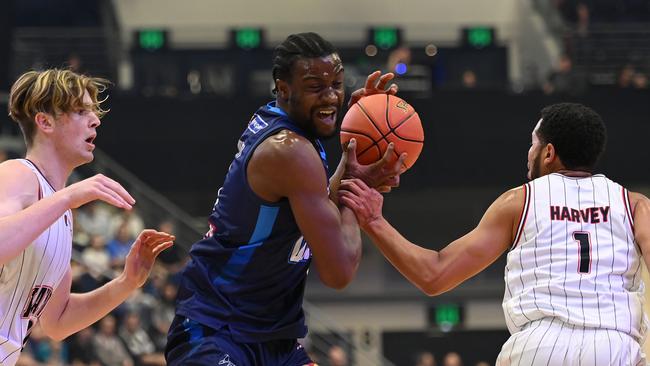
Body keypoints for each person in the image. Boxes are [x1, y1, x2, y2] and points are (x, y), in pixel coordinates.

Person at [339, 103, 649, 365]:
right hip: (616, 349)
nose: (530, 153)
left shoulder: (520, 201)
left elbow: (434, 275)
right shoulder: (634, 205)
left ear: (549, 152)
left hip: (539, 348)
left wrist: (374, 220)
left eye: (533, 144)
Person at [165, 32, 405, 366]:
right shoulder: (290, 152)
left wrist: (356, 145)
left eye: (336, 84)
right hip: (216, 329)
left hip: (272, 338)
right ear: (283, 89)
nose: (331, 97)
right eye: (315, 86)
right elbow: (340, 272)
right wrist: (359, 193)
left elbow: (316, 199)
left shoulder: (291, 131)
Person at [1, 68, 174, 366]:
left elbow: (58, 321)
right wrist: (68, 196)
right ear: (45, 122)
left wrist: (126, 282)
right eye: (81, 111)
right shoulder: (18, 174)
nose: (95, 120)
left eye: (93, 112)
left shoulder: (61, 215)